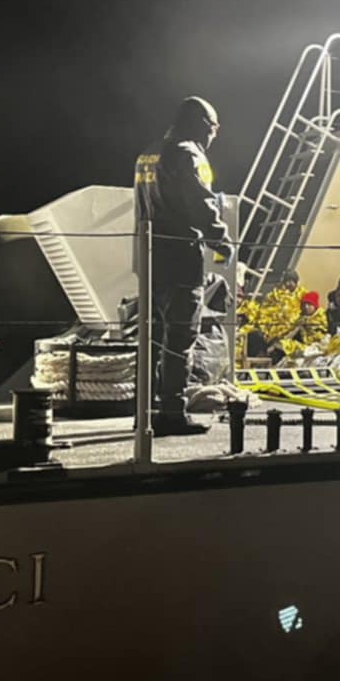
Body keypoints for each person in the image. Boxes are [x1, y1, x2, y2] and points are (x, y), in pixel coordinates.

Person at [134, 96, 231, 435]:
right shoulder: (189, 154)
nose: (214, 135)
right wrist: (222, 241)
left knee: (150, 338)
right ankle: (172, 413)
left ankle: (144, 411)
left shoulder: (148, 153)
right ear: (202, 125)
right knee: (180, 339)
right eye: (214, 128)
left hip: (149, 258)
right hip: (180, 259)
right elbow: (200, 203)